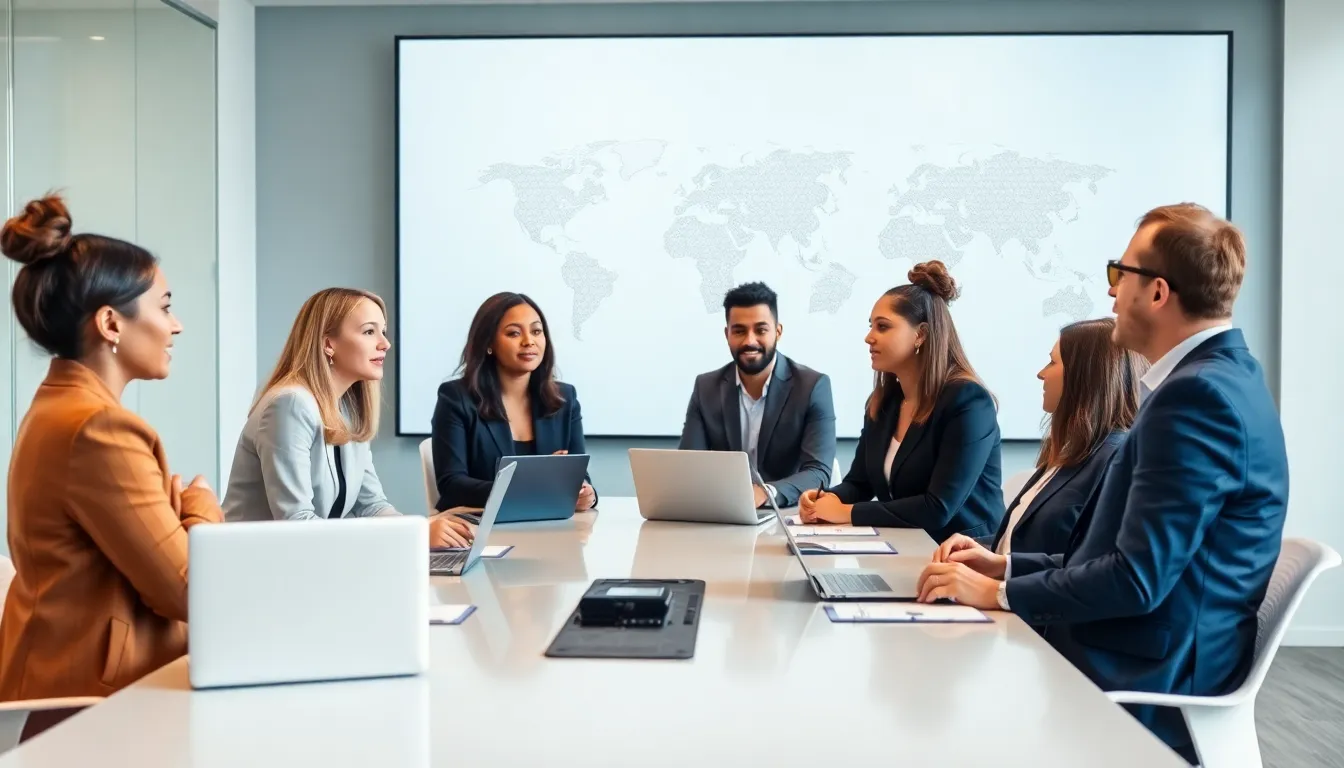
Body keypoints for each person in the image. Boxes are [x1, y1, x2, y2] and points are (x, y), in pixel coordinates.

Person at [918, 204, 1287, 765]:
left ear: (1158, 292)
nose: (1111, 293)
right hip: (1137, 644)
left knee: (932, 689)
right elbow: (1122, 555)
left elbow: (1136, 581)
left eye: (1121, 274)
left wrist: (998, 595)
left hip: (1143, 674)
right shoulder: (1225, 377)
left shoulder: (1195, 398)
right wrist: (1008, 567)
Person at [0, 196, 222, 715]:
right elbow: (191, 590)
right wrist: (201, 506)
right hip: (88, 708)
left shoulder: (62, 406)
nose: (176, 326)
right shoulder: (98, 427)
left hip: (67, 685)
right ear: (111, 324)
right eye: (164, 307)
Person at [223, 288, 473, 548]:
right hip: (257, 567)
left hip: (306, 563)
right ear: (328, 343)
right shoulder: (291, 404)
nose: (385, 343)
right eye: (369, 331)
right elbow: (296, 524)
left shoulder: (346, 410)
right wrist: (415, 537)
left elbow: (371, 506)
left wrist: (421, 530)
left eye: (383, 331)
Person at [799, 261, 1003, 543]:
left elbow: (938, 508)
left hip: (963, 557)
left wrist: (847, 512)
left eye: (883, 327)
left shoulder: (969, 402)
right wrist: (825, 499)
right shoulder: (883, 403)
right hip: (901, 546)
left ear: (920, 334)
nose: (869, 337)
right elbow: (860, 483)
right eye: (871, 326)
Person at [983, 317, 1147, 557]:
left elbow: (1092, 564)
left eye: (1052, 362)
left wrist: (1001, 570)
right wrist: (976, 548)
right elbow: (1021, 540)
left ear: (1085, 375)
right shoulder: (1070, 450)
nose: (1041, 374)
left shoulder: (1115, 460)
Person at [432, 292, 596, 511]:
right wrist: (532, 487)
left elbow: (579, 476)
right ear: (489, 343)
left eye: (536, 331)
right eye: (514, 333)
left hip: (549, 528)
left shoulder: (565, 399)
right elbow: (451, 485)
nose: (529, 341)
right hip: (481, 530)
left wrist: (586, 493)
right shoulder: (456, 398)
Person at [678, 282, 836, 508]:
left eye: (761, 330)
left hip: (785, 514)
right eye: (739, 331)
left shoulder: (812, 387)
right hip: (723, 515)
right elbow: (689, 467)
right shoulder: (706, 387)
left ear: (778, 331)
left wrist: (766, 493)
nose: (750, 341)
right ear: (727, 334)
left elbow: (818, 473)